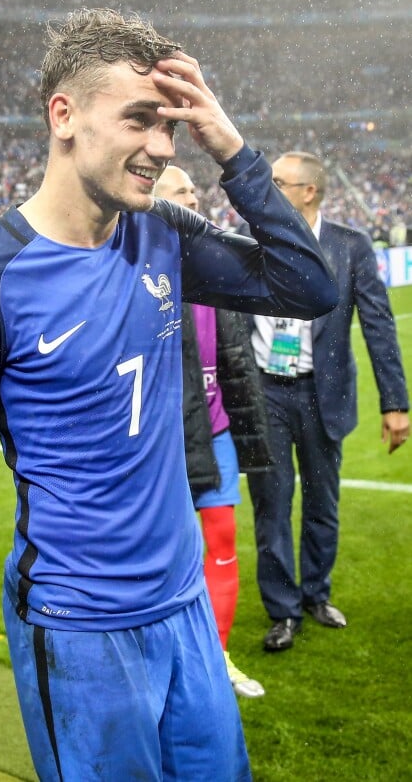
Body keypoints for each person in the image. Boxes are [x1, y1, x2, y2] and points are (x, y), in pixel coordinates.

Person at [0, 9, 338, 780]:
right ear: (63, 115)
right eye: (141, 119)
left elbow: (308, 286)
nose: (163, 147)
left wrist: (231, 148)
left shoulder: (160, 233)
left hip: (185, 606)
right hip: (79, 625)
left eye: (172, 127)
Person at [245, 150, 409, 652]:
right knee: (271, 506)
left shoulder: (350, 245)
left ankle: (316, 594)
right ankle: (283, 611)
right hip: (265, 392)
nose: (268, 188)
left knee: (322, 503)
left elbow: (379, 326)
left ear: (308, 192)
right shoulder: (250, 239)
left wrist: (395, 403)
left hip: (323, 394)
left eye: (279, 181)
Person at [155, 165, 269, 699]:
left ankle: (217, 658)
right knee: (165, 550)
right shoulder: (136, 265)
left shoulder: (213, 265)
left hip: (216, 429)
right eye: (181, 191)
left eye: (194, 191)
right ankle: (167, 658)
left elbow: (232, 359)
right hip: (162, 441)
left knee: (222, 539)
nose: (193, 197)